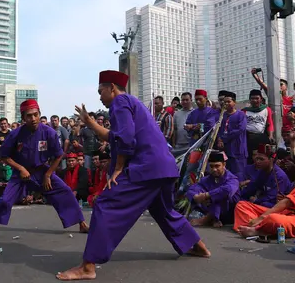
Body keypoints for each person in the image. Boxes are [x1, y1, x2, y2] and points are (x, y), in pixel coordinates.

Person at [56, 70, 210, 281]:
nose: (99, 96)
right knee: (164, 211)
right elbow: (115, 136)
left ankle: (88, 266)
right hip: (164, 167)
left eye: (101, 91)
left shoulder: (120, 103)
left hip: (147, 167)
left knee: (105, 204)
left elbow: (125, 140)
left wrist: (118, 168)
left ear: (112, 88)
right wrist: (90, 122)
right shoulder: (131, 103)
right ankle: (198, 246)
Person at [0, 99, 89, 242]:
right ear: (23, 117)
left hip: (42, 171)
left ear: (40, 114)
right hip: (20, 174)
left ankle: (82, 224)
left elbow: (59, 155)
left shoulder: (49, 132)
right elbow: (3, 156)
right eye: (29, 116)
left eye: (36, 115)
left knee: (65, 192)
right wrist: (21, 168)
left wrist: (48, 174)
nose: (33, 118)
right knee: (4, 201)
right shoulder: (15, 134)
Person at [234, 142, 295, 238]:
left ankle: (257, 229)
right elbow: (251, 188)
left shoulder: (283, 176)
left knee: (273, 219)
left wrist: (261, 217)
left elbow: (286, 202)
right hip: (281, 209)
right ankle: (256, 227)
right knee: (241, 205)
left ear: (271, 160)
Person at [186, 151, 240, 228]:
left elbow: (227, 190)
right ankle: (212, 219)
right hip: (209, 208)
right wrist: (196, 197)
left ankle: (206, 219)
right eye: (211, 166)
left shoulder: (232, 179)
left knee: (221, 195)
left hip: (228, 213)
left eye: (217, 166)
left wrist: (207, 195)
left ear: (224, 165)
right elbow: (192, 189)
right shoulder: (208, 178)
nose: (214, 169)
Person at [240, 144, 292, 208]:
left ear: (271, 160)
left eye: (261, 159)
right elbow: (254, 186)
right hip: (264, 201)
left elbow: (272, 198)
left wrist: (256, 200)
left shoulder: (279, 176)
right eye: (257, 158)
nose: (257, 161)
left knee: (264, 204)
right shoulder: (262, 171)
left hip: (279, 206)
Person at [217, 92, 248, 180]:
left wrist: (224, 138)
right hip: (226, 149)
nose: (226, 104)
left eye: (228, 102)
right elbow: (219, 130)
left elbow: (240, 129)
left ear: (234, 102)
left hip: (238, 149)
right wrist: (219, 139)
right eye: (224, 102)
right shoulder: (222, 116)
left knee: (239, 175)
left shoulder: (241, 114)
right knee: (226, 174)